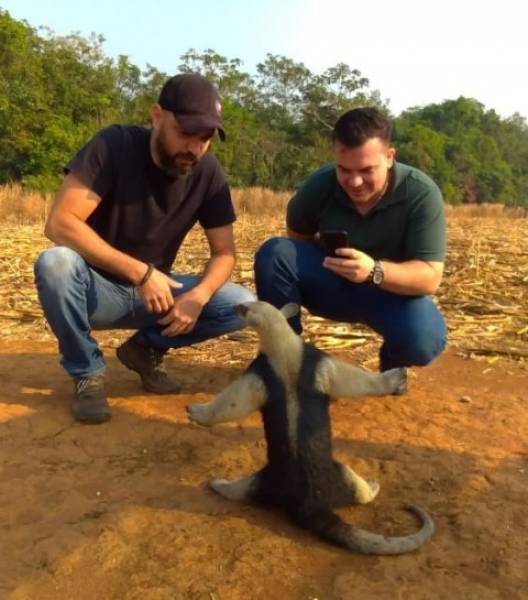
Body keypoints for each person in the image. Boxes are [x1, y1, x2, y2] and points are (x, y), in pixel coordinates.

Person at [34, 73, 255, 424]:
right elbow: (60, 222)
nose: (194, 148)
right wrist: (141, 272)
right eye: (185, 133)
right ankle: (87, 374)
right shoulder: (114, 146)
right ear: (156, 115)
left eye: (205, 138)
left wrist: (198, 297)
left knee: (242, 304)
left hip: (155, 295)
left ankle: (145, 348)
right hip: (95, 289)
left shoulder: (208, 173)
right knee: (55, 264)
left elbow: (224, 253)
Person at [254, 107, 446, 375]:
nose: (354, 181)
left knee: (424, 340)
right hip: (332, 286)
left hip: (389, 293)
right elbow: (295, 243)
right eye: (344, 169)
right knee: (274, 253)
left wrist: (373, 271)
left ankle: (392, 363)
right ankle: (285, 355)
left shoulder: (420, 194)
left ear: (390, 157)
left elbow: (430, 277)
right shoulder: (320, 185)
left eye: (367, 170)